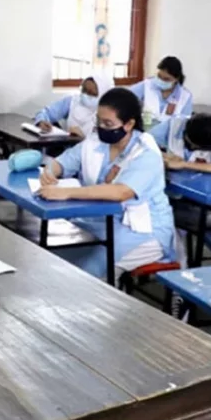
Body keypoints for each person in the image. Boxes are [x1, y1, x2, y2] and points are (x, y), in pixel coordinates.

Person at [38, 89, 177, 279]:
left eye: (108, 123)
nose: (101, 127)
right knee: (56, 259)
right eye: (99, 121)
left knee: (88, 271)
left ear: (129, 124)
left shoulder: (146, 153)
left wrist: (67, 192)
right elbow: (64, 162)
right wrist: (49, 172)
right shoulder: (96, 141)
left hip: (142, 230)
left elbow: (122, 192)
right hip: (100, 220)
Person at [149, 113, 211, 177]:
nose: (193, 149)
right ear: (185, 133)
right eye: (190, 146)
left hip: (206, 183)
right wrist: (165, 156)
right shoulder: (172, 125)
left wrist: (184, 164)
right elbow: (141, 146)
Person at [32, 70, 114, 138]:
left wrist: (82, 138)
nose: (85, 95)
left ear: (103, 95)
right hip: (68, 150)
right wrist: (41, 121)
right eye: (84, 90)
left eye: (91, 93)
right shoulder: (72, 101)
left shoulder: (109, 114)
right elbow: (46, 112)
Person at [128, 56, 193, 124]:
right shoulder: (147, 85)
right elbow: (124, 98)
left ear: (176, 79)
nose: (161, 80)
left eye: (166, 79)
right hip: (145, 132)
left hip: (171, 134)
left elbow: (184, 122)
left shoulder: (185, 96)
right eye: (159, 76)